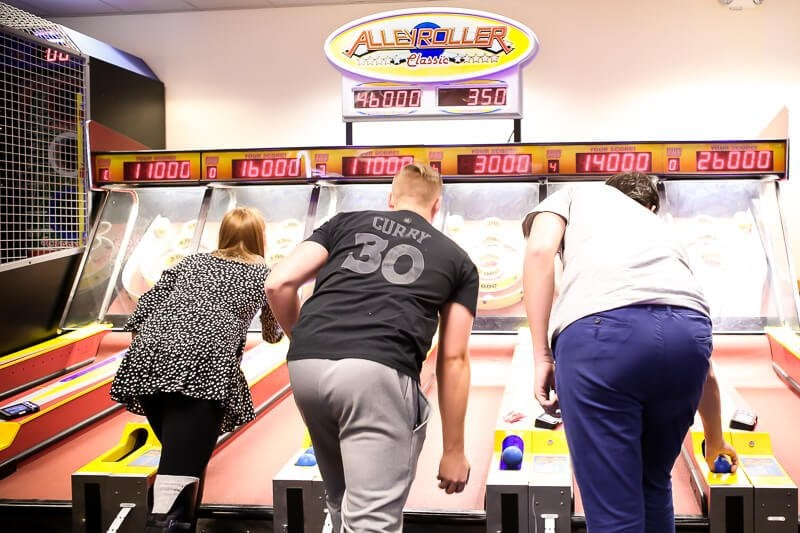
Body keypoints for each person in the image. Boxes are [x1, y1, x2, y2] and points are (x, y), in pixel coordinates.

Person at [265, 163, 478, 533]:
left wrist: (304, 341)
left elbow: (279, 283)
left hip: (306, 367)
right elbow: (454, 357)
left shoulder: (343, 223)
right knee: (372, 520)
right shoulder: (457, 260)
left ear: (391, 197)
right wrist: (454, 449)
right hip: (377, 369)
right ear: (437, 205)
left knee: (342, 498)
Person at [521, 172, 739, 533]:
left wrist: (542, 354)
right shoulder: (661, 230)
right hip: (688, 334)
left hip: (601, 336)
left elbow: (540, 250)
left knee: (613, 512)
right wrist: (714, 442)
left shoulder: (574, 194)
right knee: (653, 483)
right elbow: (708, 373)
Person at [110, 207, 283, 533]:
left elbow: (144, 309)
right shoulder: (265, 273)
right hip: (203, 367)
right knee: (178, 477)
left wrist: (162, 345)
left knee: (179, 464)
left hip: (147, 360)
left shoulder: (188, 263)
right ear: (261, 237)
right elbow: (273, 334)